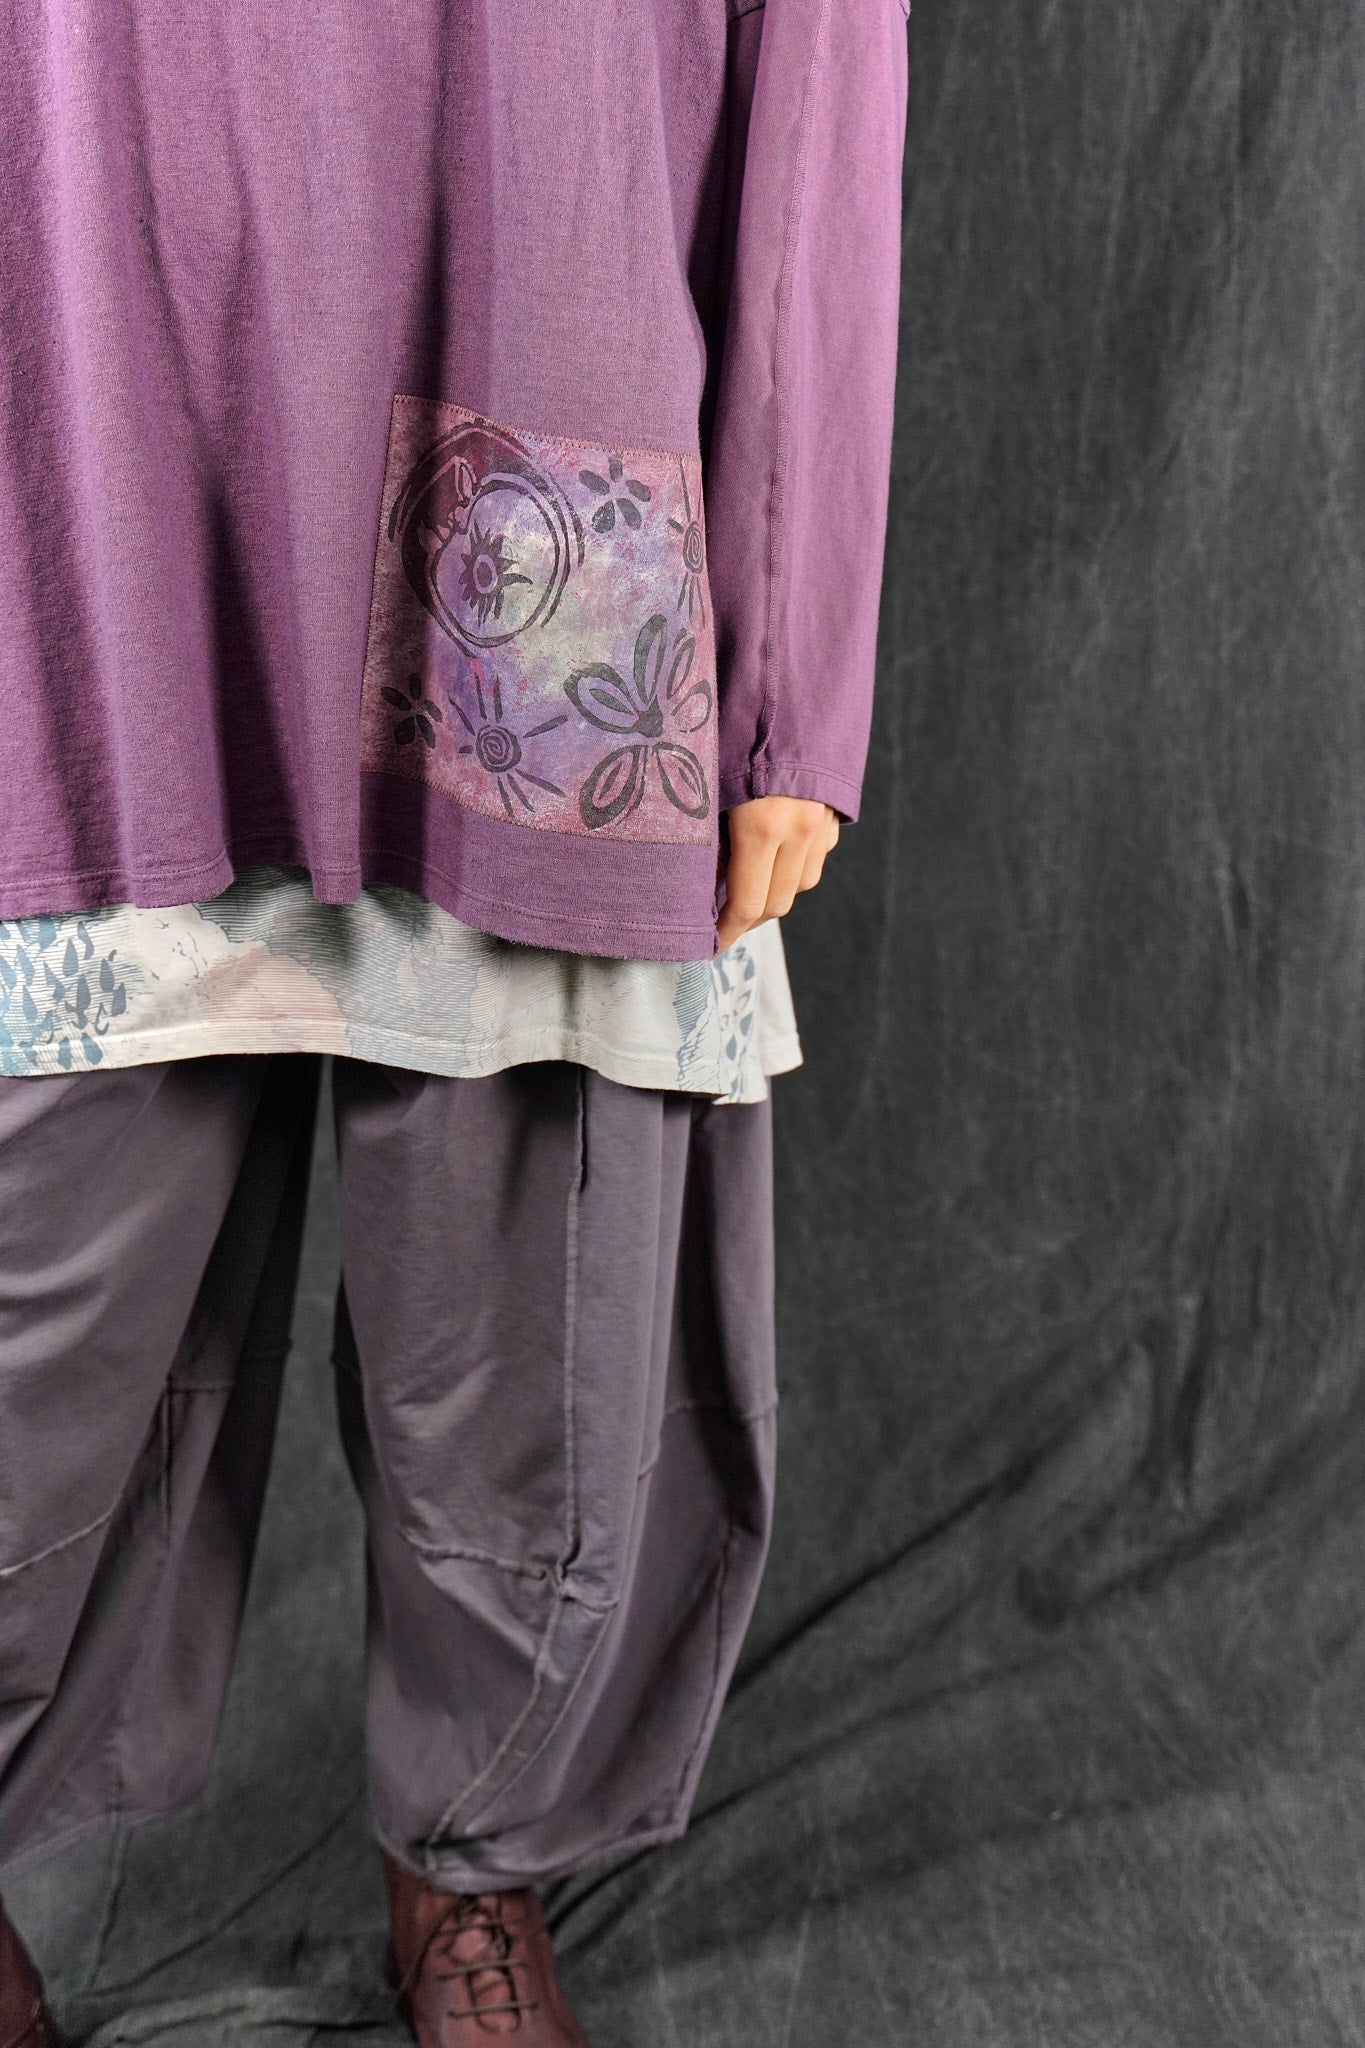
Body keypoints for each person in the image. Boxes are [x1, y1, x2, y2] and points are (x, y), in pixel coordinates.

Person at [0, 2, 909, 2043]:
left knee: (529, 1299)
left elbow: (825, 60)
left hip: (541, 390)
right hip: (90, 403)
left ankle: (473, 1866)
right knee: (41, 1290)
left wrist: (786, 660)